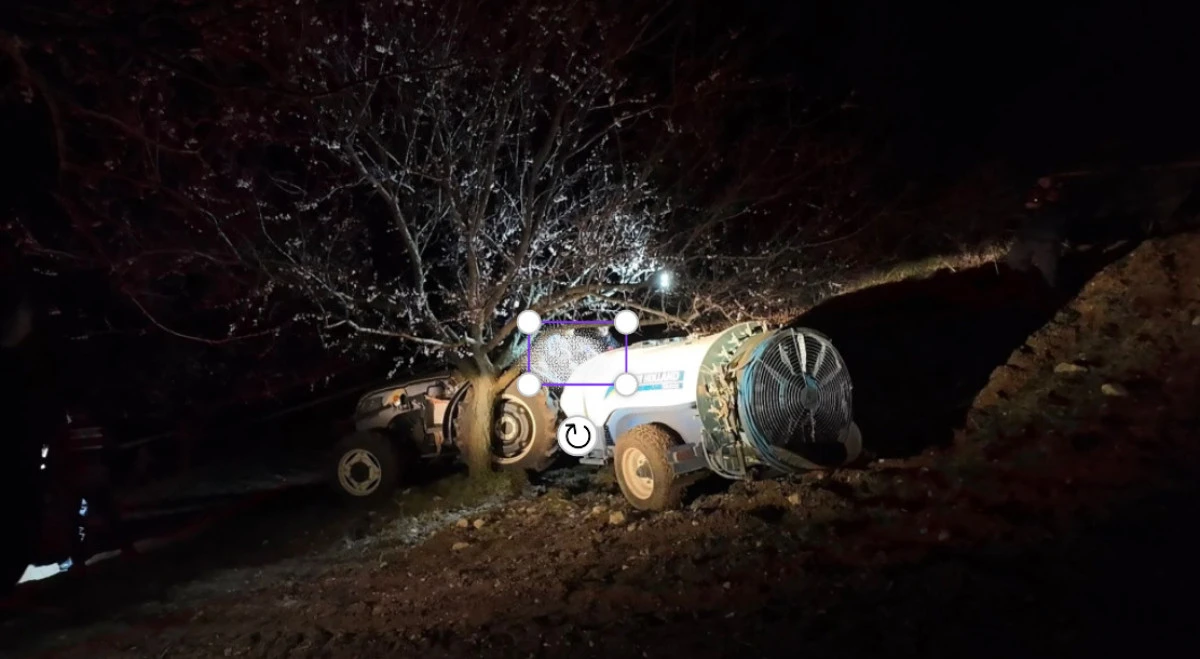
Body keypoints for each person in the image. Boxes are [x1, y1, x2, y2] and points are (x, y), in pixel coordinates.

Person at [1006, 176, 1069, 288]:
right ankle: (1023, 289)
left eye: (1046, 178)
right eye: (1041, 178)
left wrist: (1042, 202)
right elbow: (1022, 208)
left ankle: (1050, 297)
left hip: (1047, 238)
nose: (1042, 181)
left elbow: (1059, 207)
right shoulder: (1033, 191)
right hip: (1027, 236)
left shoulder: (1058, 192)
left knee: (1047, 272)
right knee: (1014, 262)